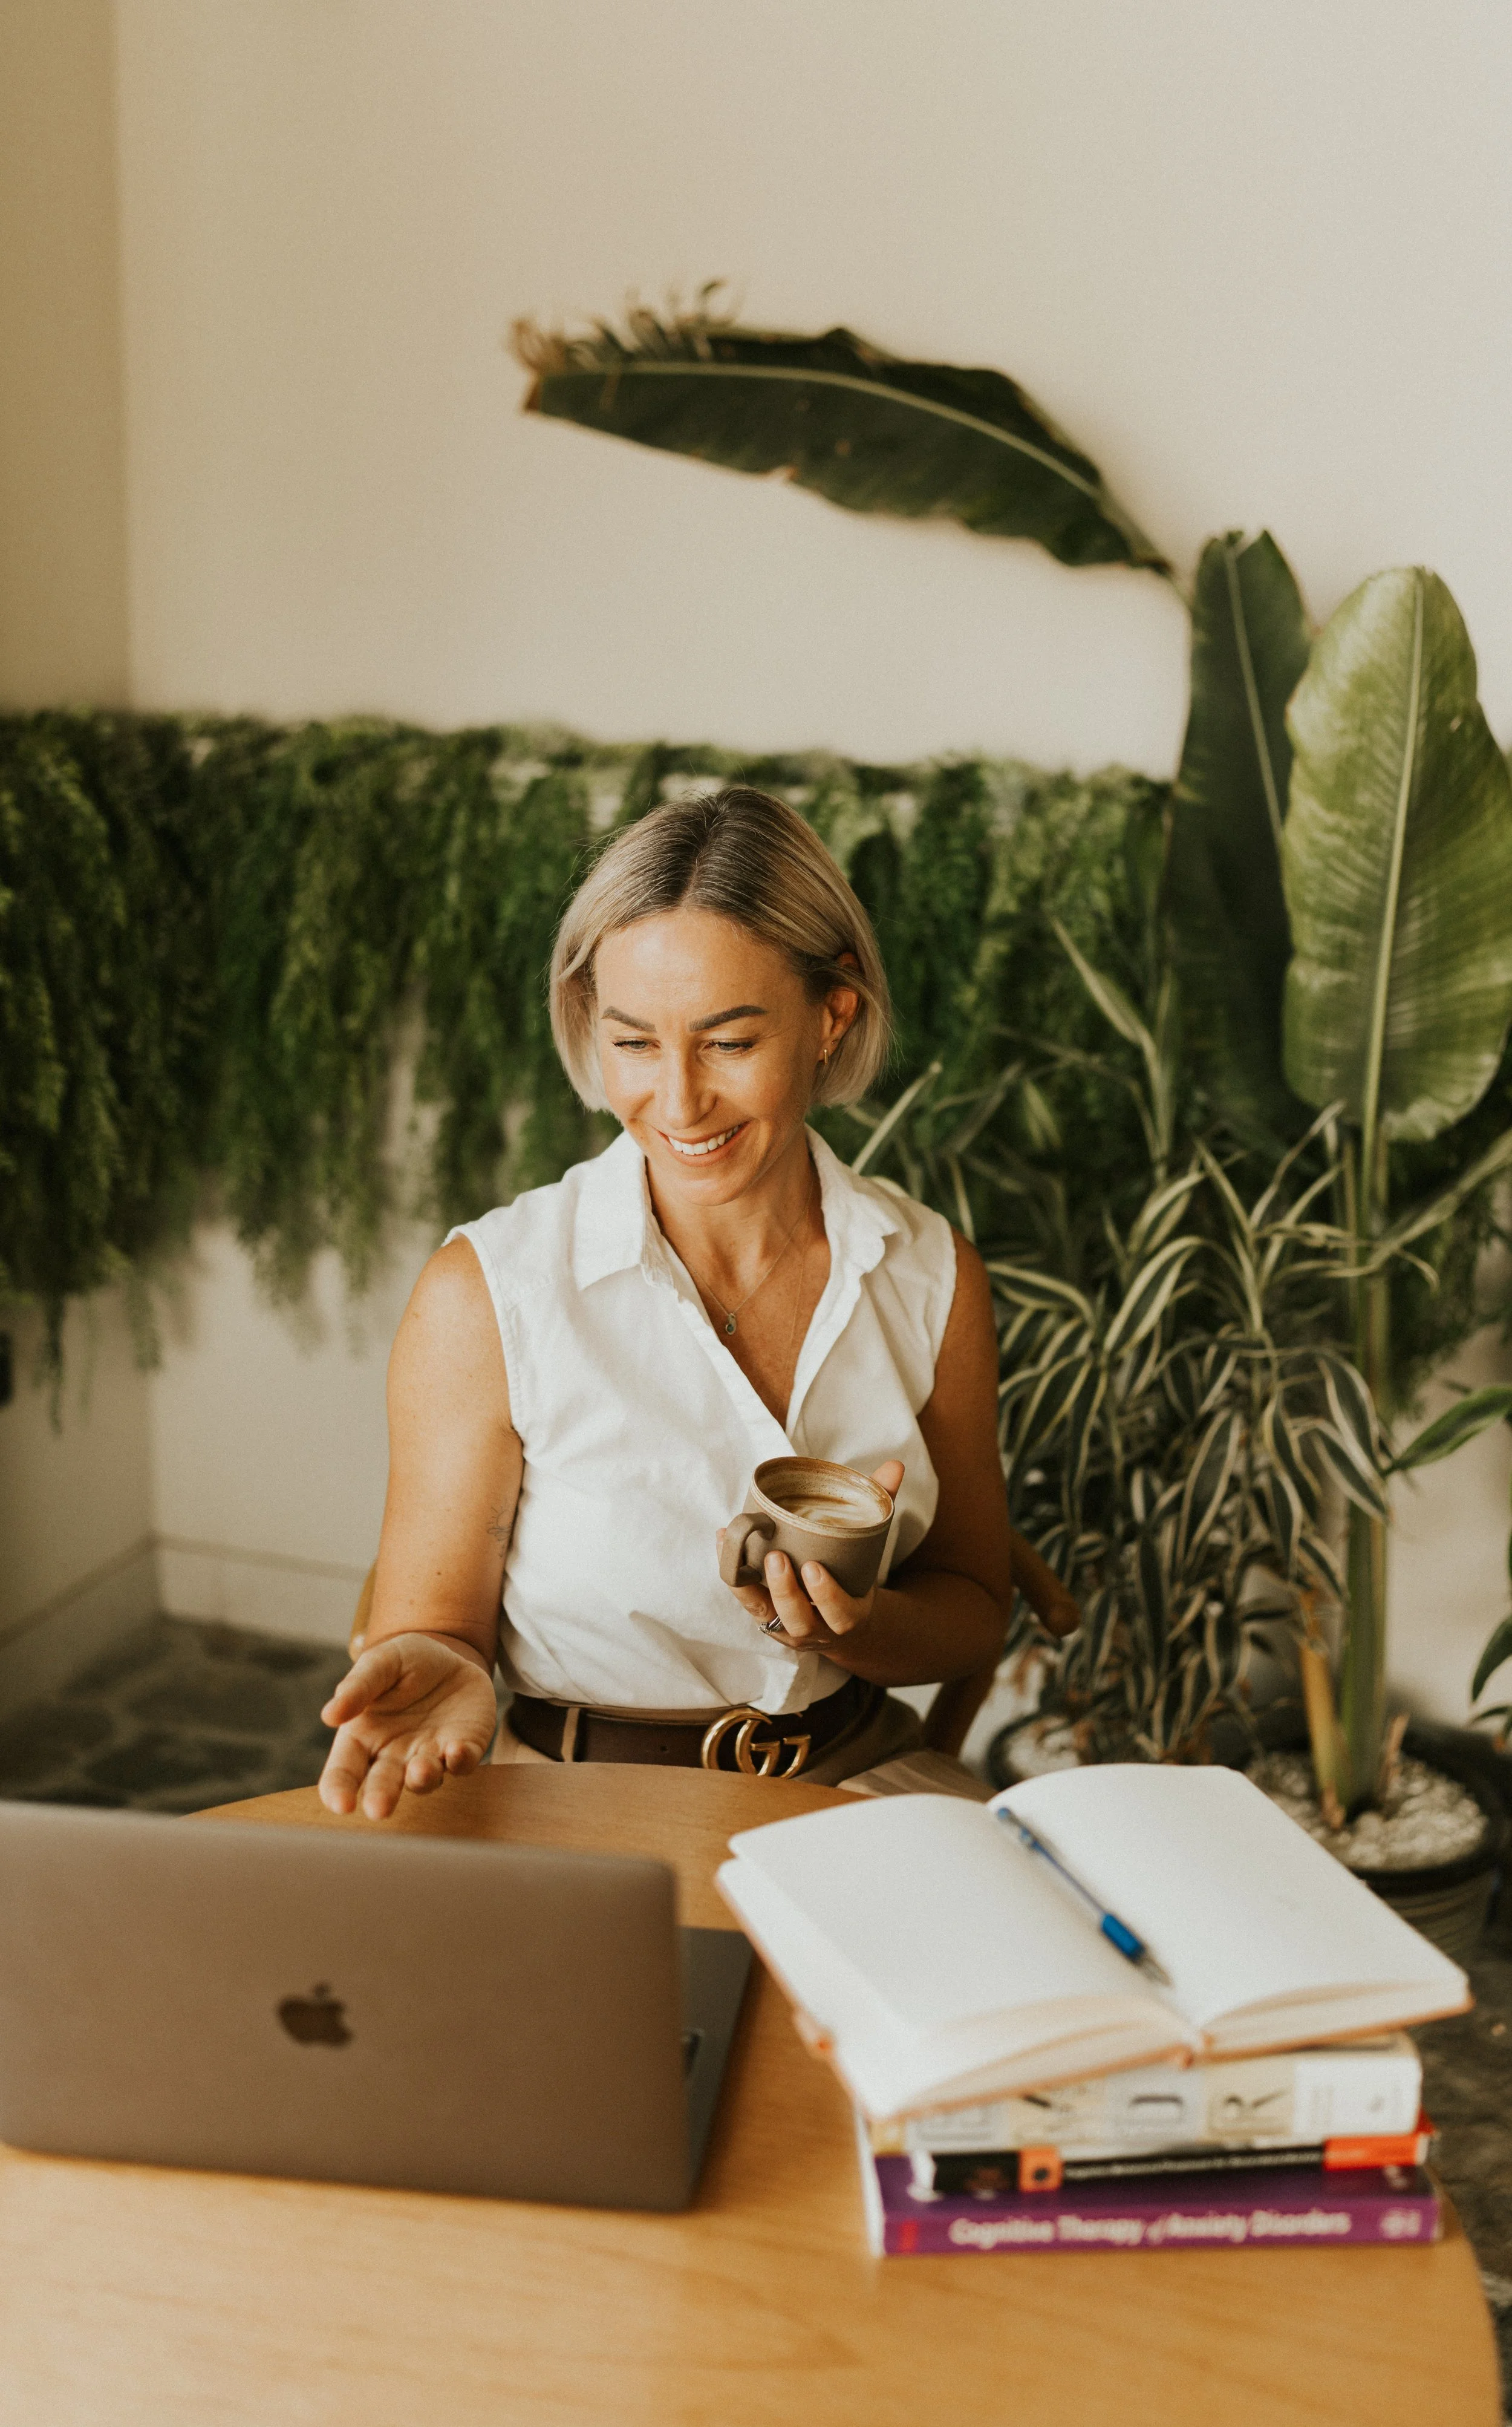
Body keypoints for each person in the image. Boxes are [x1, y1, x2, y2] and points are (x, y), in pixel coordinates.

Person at [319, 786, 1076, 1820]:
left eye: (728, 1042)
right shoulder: (489, 1294)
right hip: (585, 1803)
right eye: (634, 1043)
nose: (677, 1104)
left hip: (857, 1788)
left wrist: (847, 1630)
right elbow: (433, 1624)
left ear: (831, 1016)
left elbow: (972, 1611)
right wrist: (441, 1664)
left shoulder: (931, 1275)